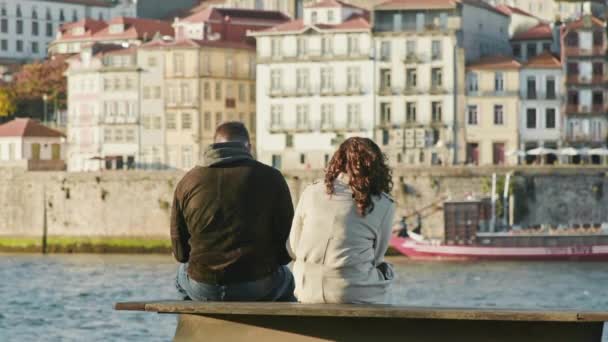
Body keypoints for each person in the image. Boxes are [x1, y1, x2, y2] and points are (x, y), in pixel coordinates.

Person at [171, 122, 295, 302]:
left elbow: (180, 253)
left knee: (181, 275)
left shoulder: (188, 182)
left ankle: (193, 326)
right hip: (257, 284)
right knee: (288, 278)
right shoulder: (272, 178)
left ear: (213, 144)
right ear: (249, 147)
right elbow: (285, 251)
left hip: (204, 286)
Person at [287, 137, 396, 304]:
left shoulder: (310, 191)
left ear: (337, 162)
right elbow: (377, 257)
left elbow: (294, 246)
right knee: (386, 270)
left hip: (305, 290)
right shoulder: (384, 204)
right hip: (350, 292)